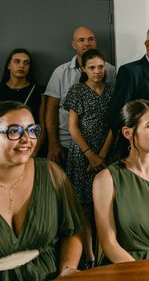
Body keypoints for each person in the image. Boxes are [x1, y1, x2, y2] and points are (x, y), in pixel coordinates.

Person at [0, 101, 83, 281]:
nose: (27, 139)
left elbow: (72, 231)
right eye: (14, 131)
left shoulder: (51, 173)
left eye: (32, 130)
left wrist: (67, 269)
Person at [93, 100, 149, 263]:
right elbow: (109, 243)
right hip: (125, 267)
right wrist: (142, 274)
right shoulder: (105, 179)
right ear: (128, 133)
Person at [63, 49, 114, 268]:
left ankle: (107, 253)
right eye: (92, 67)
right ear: (84, 69)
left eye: (100, 67)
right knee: (84, 207)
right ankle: (89, 257)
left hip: (108, 152)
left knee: (106, 205)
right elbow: (72, 128)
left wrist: (102, 155)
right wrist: (91, 155)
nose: (97, 71)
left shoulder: (112, 91)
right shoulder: (77, 91)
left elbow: (115, 125)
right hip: (82, 154)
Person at [45, 26, 116, 166]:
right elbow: (51, 110)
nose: (87, 43)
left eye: (91, 39)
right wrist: (53, 143)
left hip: (103, 145)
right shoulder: (61, 72)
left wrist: (102, 154)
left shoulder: (110, 70)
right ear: (74, 45)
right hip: (68, 142)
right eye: (81, 40)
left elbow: (114, 113)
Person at [0, 48, 46, 156]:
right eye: (17, 61)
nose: (22, 66)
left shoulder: (38, 91)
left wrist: (31, 155)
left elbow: (42, 127)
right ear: (8, 66)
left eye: (26, 63)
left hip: (29, 145)